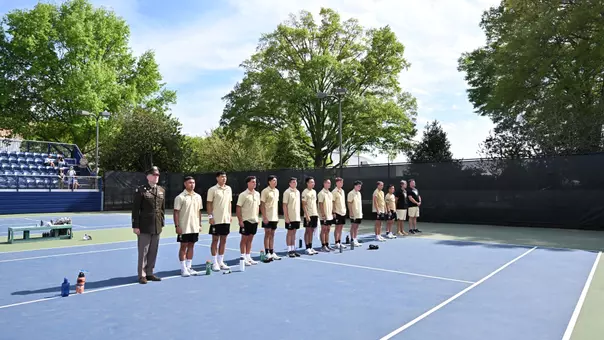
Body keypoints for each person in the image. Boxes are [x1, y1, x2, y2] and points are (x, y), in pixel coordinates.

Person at [131, 166, 165, 284]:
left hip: (157, 225)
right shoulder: (141, 190)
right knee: (143, 251)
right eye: (154, 175)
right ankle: (142, 275)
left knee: (153, 250)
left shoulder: (161, 190)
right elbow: (136, 210)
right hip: (144, 225)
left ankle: (150, 272)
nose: (156, 177)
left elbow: (162, 209)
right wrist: (135, 226)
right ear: (148, 176)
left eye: (158, 175)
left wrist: (162, 223)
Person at [173, 176, 203, 277]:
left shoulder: (198, 197)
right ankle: (183, 268)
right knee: (183, 247)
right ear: (185, 184)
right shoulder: (180, 197)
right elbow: (176, 212)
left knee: (192, 246)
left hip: (194, 227)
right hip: (184, 227)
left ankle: (189, 267)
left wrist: (199, 224)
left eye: (193, 182)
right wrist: (177, 226)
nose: (192, 184)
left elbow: (199, 211)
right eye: (190, 182)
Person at [207, 171, 233, 271]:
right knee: (215, 240)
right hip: (216, 219)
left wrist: (230, 215)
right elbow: (209, 204)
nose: (224, 179)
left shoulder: (229, 189)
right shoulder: (212, 189)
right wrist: (210, 217)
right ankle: (214, 263)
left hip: (226, 219)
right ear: (217, 178)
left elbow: (230, 203)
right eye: (222, 177)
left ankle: (220, 261)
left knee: (224, 240)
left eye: (225, 177)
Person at [237, 176, 261, 266]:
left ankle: (248, 256)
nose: (254, 183)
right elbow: (238, 207)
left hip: (254, 220)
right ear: (248, 183)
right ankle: (243, 257)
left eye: (255, 182)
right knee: (244, 239)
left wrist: (257, 217)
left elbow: (258, 206)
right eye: (252, 182)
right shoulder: (243, 195)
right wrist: (240, 220)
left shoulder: (257, 194)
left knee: (250, 239)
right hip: (245, 220)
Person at [260, 175, 280, 261]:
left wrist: (277, 216)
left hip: (274, 217)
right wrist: (264, 217)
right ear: (269, 182)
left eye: (276, 180)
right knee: (267, 234)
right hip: (267, 217)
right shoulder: (265, 191)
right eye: (274, 180)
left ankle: (272, 252)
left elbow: (276, 205)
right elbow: (262, 205)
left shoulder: (277, 191)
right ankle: (267, 252)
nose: (275, 182)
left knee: (272, 234)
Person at [283, 177, 301, 258]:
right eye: (293, 182)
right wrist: (286, 217)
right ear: (289, 184)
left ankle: (293, 249)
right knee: (290, 233)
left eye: (295, 182)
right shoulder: (287, 192)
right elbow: (284, 205)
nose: (294, 183)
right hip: (290, 217)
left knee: (294, 233)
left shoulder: (297, 192)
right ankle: (289, 250)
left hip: (296, 217)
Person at [301, 177, 319, 255]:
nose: (313, 183)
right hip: (308, 215)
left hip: (314, 214)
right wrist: (307, 215)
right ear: (307, 183)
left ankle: (311, 247)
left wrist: (317, 213)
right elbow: (303, 205)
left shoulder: (314, 192)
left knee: (311, 231)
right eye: (311, 182)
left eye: (313, 182)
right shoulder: (305, 192)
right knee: (308, 231)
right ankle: (307, 247)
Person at [317, 178, 334, 252]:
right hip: (323, 216)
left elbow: (331, 204)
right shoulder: (321, 193)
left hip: (329, 215)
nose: (328, 184)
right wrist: (323, 214)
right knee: (323, 229)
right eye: (327, 183)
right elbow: (320, 204)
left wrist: (332, 212)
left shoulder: (330, 193)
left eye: (329, 183)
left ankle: (327, 244)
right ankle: (323, 245)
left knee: (328, 230)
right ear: (324, 184)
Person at [331, 177, 347, 249]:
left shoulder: (342, 191)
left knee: (341, 228)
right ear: (337, 183)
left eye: (342, 182)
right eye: (340, 182)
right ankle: (336, 242)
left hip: (343, 212)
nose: (342, 183)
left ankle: (339, 242)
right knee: (337, 227)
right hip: (337, 212)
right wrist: (333, 212)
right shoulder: (334, 192)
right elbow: (333, 202)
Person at [346, 180, 363, 247]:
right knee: (353, 226)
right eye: (358, 186)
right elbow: (349, 203)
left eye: (360, 186)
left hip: (359, 213)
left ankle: (355, 239)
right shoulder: (351, 193)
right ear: (355, 186)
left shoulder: (359, 193)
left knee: (357, 226)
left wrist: (361, 212)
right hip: (354, 213)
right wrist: (351, 212)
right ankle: (352, 239)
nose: (359, 187)